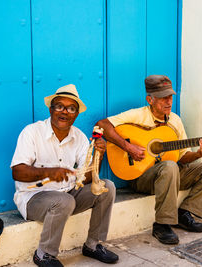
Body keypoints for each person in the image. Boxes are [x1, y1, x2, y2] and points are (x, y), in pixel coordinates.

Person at [97, 75, 202, 245]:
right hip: (142, 177)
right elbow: (102, 125)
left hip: (170, 175)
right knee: (170, 166)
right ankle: (162, 224)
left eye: (170, 97)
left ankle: (185, 213)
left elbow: (183, 156)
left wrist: (199, 154)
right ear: (150, 99)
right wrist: (129, 148)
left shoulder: (175, 120)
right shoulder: (138, 115)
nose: (168, 102)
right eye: (163, 98)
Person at [11, 84, 119, 267]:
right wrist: (49, 172)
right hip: (33, 199)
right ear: (51, 109)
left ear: (76, 114)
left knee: (106, 187)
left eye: (71, 108)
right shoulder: (32, 132)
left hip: (68, 195)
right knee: (63, 200)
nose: (65, 112)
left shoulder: (79, 137)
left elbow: (88, 178)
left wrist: (99, 156)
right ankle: (44, 254)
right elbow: (17, 172)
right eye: (59, 106)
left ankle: (93, 245)